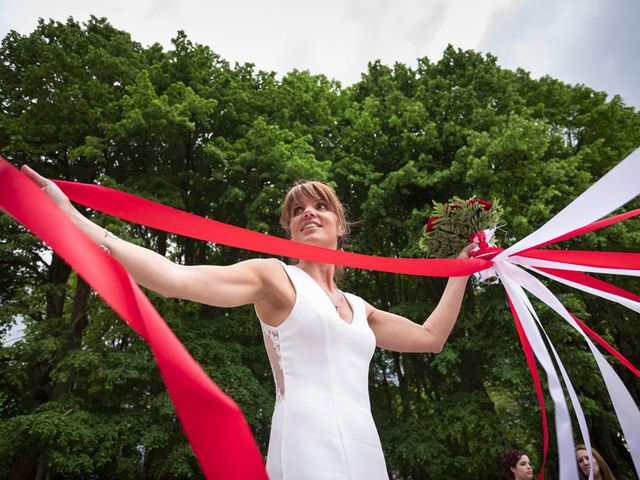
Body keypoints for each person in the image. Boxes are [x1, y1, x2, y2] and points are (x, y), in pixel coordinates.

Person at [21, 168, 475, 480]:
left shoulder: (362, 307)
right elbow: (173, 279)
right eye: (297, 211)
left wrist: (463, 268)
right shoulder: (274, 277)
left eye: (321, 207)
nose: (309, 214)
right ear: (290, 230)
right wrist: (70, 217)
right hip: (305, 437)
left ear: (342, 227)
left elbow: (432, 338)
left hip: (365, 441)